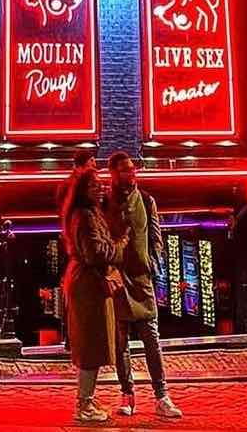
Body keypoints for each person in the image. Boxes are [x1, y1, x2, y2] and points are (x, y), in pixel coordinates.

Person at [105, 152, 182, 419]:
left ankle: (162, 396)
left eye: (132, 168)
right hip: (118, 280)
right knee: (121, 342)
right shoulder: (105, 203)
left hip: (142, 280)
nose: (131, 173)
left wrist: (152, 260)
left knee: (152, 340)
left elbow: (156, 236)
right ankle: (127, 394)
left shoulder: (147, 200)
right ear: (113, 173)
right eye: (124, 170)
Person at [61, 165, 128, 424]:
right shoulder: (86, 216)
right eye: (93, 185)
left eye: (99, 184)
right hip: (90, 286)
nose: (100, 188)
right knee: (91, 344)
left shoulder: (83, 214)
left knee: (92, 343)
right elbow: (96, 252)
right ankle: (84, 404)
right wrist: (119, 246)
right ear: (83, 191)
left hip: (87, 283)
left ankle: (87, 398)